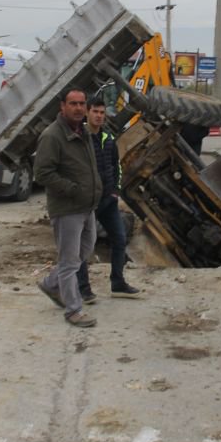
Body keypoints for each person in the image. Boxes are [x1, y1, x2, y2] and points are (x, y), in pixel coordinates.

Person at [33, 88, 102, 328]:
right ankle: (73, 310)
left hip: (87, 206)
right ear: (62, 106)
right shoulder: (52, 136)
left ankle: (51, 284)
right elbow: (42, 173)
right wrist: (71, 189)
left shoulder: (83, 131)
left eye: (82, 103)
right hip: (67, 208)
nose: (78, 108)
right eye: (73, 103)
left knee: (84, 252)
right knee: (69, 260)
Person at [77, 97, 143, 301]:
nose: (99, 116)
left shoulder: (108, 138)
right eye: (95, 111)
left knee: (120, 238)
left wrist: (115, 190)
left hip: (109, 200)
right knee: (84, 246)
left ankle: (118, 282)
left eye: (102, 112)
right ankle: (83, 288)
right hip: (89, 202)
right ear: (87, 113)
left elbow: (117, 166)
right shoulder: (80, 138)